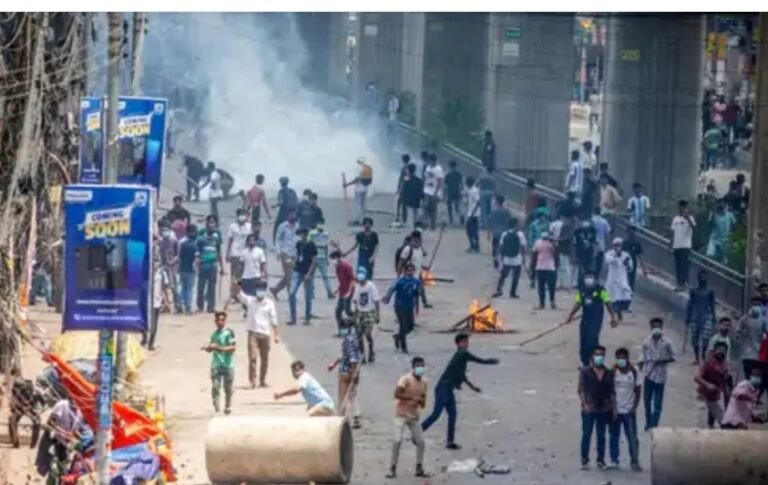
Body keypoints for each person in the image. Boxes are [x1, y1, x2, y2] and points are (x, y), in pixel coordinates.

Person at [421, 333, 499, 449]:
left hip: (448, 389)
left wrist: (473, 387)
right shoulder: (462, 354)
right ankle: (418, 433)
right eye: (464, 342)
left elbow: (462, 376)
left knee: (452, 415)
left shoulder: (460, 357)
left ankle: (450, 442)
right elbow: (478, 360)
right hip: (443, 388)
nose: (466, 344)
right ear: (458, 344)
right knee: (436, 414)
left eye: (467, 341)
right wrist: (490, 361)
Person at [387, 357, 430, 479]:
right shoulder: (405, 379)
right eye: (418, 366)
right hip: (401, 414)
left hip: (413, 416)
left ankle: (419, 467)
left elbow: (423, 401)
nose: (420, 368)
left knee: (421, 442)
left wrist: (421, 402)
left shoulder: (424, 382)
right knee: (397, 440)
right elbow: (396, 394)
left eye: (422, 365)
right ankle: (392, 468)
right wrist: (411, 399)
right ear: (413, 367)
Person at [566, 271, 619, 367]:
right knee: (583, 339)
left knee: (592, 340)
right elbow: (578, 304)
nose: (588, 280)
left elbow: (608, 303)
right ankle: (585, 362)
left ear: (596, 280)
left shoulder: (601, 291)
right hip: (585, 319)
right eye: (587, 277)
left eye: (591, 277)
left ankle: (595, 361)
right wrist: (570, 316)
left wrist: (613, 317)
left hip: (596, 320)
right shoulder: (582, 291)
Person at [578, 345, 613, 470]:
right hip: (589, 407)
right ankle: (584, 459)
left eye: (601, 355)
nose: (599, 357)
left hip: (603, 408)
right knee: (587, 434)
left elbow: (611, 391)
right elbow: (581, 389)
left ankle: (600, 459)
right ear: (592, 356)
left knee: (601, 435)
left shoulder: (608, 373)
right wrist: (584, 404)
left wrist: (613, 408)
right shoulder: (585, 372)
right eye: (597, 355)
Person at [237, 284, 279, 388]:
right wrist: (237, 284)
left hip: (265, 334)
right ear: (256, 290)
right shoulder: (250, 301)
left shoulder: (269, 303)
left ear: (265, 291)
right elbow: (239, 294)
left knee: (265, 359)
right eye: (258, 289)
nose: (260, 292)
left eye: (262, 290)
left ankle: (262, 380)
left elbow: (274, 319)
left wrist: (276, 335)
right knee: (252, 358)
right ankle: (252, 381)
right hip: (253, 334)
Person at [640, 317, 676, 431]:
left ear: (662, 327)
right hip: (648, 374)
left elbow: (674, 357)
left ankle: (654, 424)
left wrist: (662, 360)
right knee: (646, 401)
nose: (657, 328)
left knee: (657, 403)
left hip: (660, 376)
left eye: (659, 326)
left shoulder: (667, 342)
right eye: (654, 326)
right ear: (651, 327)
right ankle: (648, 421)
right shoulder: (646, 341)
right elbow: (643, 356)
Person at [609, 347, 642, 471]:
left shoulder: (634, 371)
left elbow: (638, 390)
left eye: (623, 358)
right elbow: (611, 391)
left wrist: (634, 407)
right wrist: (613, 409)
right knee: (614, 436)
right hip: (616, 410)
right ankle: (614, 460)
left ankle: (634, 461)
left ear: (627, 358)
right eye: (619, 358)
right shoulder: (612, 372)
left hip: (629, 411)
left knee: (632, 437)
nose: (621, 360)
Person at [327, 317, 362, 428]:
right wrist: (335, 363)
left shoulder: (348, 340)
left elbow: (352, 358)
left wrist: (353, 372)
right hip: (351, 370)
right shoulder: (354, 338)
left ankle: (341, 417)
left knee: (343, 395)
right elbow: (346, 355)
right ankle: (356, 416)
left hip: (346, 371)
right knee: (353, 395)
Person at [202, 311, 236, 415]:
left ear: (225, 321)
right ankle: (217, 409)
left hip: (228, 364)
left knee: (228, 388)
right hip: (216, 364)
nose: (220, 322)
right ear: (215, 321)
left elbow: (233, 347)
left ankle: (228, 406)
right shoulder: (214, 334)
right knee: (215, 387)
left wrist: (219, 348)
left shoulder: (229, 333)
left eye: (222, 320)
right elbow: (211, 347)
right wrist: (207, 348)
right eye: (218, 320)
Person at [384, 263, 422, 353]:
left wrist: (417, 308)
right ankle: (404, 346)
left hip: (409, 306)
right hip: (400, 306)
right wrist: (387, 298)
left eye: (412, 270)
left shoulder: (416, 282)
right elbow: (391, 289)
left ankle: (398, 337)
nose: (410, 272)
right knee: (403, 326)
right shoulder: (400, 281)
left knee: (410, 326)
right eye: (408, 270)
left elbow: (417, 295)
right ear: (405, 271)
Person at [694, 341, 730, 428]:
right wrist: (707, 385)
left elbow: (725, 385)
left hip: (715, 397)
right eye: (719, 350)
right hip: (703, 395)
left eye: (723, 350)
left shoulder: (724, 366)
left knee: (717, 420)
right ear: (714, 351)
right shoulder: (708, 363)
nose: (721, 352)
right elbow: (696, 377)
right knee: (702, 423)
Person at [737, 297, 768, 390]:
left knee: (757, 374)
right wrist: (739, 335)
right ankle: (748, 390)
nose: (756, 307)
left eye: (758, 305)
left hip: (758, 352)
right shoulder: (745, 319)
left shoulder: (764, 320)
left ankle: (754, 393)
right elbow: (738, 330)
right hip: (746, 351)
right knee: (747, 372)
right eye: (754, 304)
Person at [686, 270, 717, 365]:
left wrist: (714, 317)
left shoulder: (710, 291)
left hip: (706, 317)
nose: (703, 278)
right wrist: (688, 316)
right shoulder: (693, 290)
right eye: (701, 276)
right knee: (695, 339)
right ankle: (697, 358)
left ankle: (703, 354)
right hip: (695, 317)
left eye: (705, 276)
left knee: (705, 338)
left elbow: (712, 305)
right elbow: (690, 304)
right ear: (698, 278)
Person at [288, 227, 317, 326]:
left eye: (303, 234)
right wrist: (293, 261)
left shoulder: (311, 245)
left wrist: (309, 274)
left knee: (308, 296)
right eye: (300, 234)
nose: (301, 235)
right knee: (291, 293)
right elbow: (298, 255)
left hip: (307, 271)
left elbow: (314, 261)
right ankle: (293, 318)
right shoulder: (299, 244)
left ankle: (307, 318)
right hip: (298, 270)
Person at [351, 267, 381, 363]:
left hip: (369, 312)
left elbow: (376, 301)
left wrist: (377, 315)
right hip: (360, 312)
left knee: (368, 333)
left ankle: (371, 350)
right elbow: (355, 300)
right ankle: (362, 355)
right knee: (359, 335)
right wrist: (354, 314)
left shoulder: (371, 286)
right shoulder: (357, 286)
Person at [196, 220, 225, 313]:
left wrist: (222, 267)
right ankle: (200, 306)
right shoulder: (201, 239)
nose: (211, 226)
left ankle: (210, 307)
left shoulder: (216, 239)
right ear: (206, 226)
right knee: (201, 287)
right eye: (209, 224)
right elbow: (197, 253)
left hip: (213, 265)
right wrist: (197, 265)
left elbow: (219, 253)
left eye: (213, 224)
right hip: (203, 265)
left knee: (212, 287)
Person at [398, 230, 432, 309]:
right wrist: (399, 274)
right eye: (415, 239)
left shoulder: (420, 248)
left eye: (418, 239)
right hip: (410, 274)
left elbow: (420, 260)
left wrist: (425, 267)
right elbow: (401, 261)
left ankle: (424, 303)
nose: (416, 241)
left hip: (418, 273)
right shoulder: (408, 249)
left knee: (421, 289)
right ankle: (406, 310)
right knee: (409, 294)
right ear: (412, 239)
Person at [493, 218, 527, 298]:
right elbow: (523, 247)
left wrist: (497, 256)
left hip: (507, 259)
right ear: (515, 225)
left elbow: (500, 246)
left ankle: (499, 289)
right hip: (517, 259)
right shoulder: (520, 234)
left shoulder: (504, 234)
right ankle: (512, 293)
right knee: (516, 276)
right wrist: (524, 257)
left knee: (503, 275)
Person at [270, 210, 299, 299]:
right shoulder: (282, 226)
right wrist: (278, 252)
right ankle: (291, 295)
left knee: (291, 275)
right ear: (288, 215)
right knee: (290, 275)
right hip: (285, 253)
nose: (293, 216)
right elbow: (278, 240)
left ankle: (276, 289)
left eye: (294, 214)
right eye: (291, 214)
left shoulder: (297, 226)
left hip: (295, 253)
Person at [604, 238, 633, 321]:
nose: (618, 247)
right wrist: (616, 255)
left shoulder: (626, 255)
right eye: (616, 245)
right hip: (612, 279)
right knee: (612, 298)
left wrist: (627, 264)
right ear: (613, 246)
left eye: (619, 245)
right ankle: (614, 315)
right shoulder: (609, 253)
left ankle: (619, 311)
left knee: (626, 296)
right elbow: (608, 261)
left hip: (622, 279)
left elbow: (630, 267)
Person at [142, 255, 167, 350]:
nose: (155, 263)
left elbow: (164, 288)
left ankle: (151, 343)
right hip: (146, 302)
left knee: (154, 324)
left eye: (157, 261)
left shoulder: (161, 274)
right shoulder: (145, 273)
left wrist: (167, 302)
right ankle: (144, 338)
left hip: (156, 302)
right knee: (143, 322)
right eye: (154, 261)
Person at [671, 199, 696, 291]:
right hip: (676, 245)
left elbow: (693, 226)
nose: (682, 208)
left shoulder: (690, 218)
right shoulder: (675, 219)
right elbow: (673, 232)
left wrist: (687, 218)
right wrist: (671, 244)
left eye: (684, 207)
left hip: (685, 246)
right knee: (678, 266)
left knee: (684, 266)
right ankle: (679, 284)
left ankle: (683, 284)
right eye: (681, 206)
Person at [226, 208, 252, 290]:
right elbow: (230, 240)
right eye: (240, 214)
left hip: (245, 253)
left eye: (244, 214)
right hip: (235, 253)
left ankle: (239, 290)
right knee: (234, 273)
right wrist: (228, 253)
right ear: (237, 216)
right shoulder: (232, 226)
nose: (242, 217)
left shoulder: (249, 226)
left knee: (242, 274)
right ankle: (233, 291)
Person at [330, 250, 355, 336]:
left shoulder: (346, 267)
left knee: (347, 311)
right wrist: (337, 290)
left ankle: (356, 324)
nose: (333, 261)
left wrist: (349, 292)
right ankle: (341, 329)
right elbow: (342, 281)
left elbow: (352, 280)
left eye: (334, 258)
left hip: (348, 292)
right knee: (338, 311)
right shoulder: (337, 268)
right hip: (342, 292)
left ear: (338, 258)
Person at [531, 231, 557, 309]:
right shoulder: (538, 242)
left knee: (550, 287)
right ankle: (543, 303)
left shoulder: (552, 243)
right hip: (543, 267)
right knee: (543, 287)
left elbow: (556, 253)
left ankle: (550, 302)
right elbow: (534, 254)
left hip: (548, 267)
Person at [309, 219, 335, 300]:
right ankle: (311, 294)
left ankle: (330, 292)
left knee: (325, 276)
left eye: (321, 224)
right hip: (313, 257)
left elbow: (326, 247)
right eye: (319, 223)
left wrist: (327, 259)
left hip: (322, 257)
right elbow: (309, 245)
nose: (320, 225)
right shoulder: (312, 233)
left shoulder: (325, 234)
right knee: (311, 276)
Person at [344, 157, 374, 225]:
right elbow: (370, 180)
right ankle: (363, 220)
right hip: (365, 189)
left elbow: (356, 180)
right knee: (363, 205)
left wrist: (347, 184)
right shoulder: (368, 168)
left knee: (358, 205)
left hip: (359, 190)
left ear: (358, 162)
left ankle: (358, 221)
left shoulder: (358, 168)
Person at [706, 199, 736, 264]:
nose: (720, 205)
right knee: (710, 257)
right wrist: (712, 213)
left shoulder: (729, 214)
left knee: (724, 261)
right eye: (719, 204)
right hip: (714, 240)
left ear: (725, 205)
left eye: (722, 203)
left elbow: (734, 224)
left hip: (726, 240)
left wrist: (732, 234)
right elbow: (709, 225)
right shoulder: (713, 214)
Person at [177, 224, 198, 315]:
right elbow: (196, 260)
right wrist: (197, 269)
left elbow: (179, 257)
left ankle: (180, 304)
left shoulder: (182, 244)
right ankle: (188, 307)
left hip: (182, 269)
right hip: (190, 270)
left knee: (183, 288)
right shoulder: (195, 246)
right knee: (190, 289)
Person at [488, 195, 512, 269]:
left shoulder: (493, 211)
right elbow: (509, 222)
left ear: (496, 202)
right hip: (504, 232)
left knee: (495, 247)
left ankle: (495, 259)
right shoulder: (507, 211)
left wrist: (489, 233)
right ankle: (503, 260)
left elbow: (490, 222)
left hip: (495, 232)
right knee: (504, 247)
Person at [273, 176, 298, 242]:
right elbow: (296, 201)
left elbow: (281, 202)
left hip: (283, 213)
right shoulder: (292, 191)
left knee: (278, 228)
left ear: (281, 183)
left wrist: (275, 205)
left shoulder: (281, 191)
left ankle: (276, 243)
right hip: (292, 213)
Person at [423, 153, 444, 230]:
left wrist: (436, 192)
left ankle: (432, 225)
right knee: (426, 207)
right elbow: (426, 178)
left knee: (432, 209)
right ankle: (427, 223)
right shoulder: (428, 167)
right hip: (427, 190)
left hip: (433, 191)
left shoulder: (438, 169)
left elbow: (440, 181)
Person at [622, 225, 646, 294]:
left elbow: (640, 256)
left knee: (632, 278)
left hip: (633, 263)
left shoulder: (637, 243)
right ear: (628, 232)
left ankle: (630, 291)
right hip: (624, 262)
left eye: (633, 232)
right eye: (630, 232)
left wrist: (643, 269)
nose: (632, 233)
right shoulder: (624, 242)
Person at [573, 218, 598, 284]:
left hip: (589, 253)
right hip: (580, 253)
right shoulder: (577, 232)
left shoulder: (592, 231)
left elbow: (595, 242)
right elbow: (575, 244)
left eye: (587, 228)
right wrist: (575, 254)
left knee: (588, 268)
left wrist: (594, 251)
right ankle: (581, 282)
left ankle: (587, 282)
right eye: (585, 228)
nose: (586, 229)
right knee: (581, 269)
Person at [401, 163, 424, 227]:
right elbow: (421, 191)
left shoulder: (406, 179)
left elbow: (403, 188)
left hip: (408, 199)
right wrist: (422, 198)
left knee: (409, 213)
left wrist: (402, 196)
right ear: (415, 170)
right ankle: (415, 224)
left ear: (408, 170)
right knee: (415, 213)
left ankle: (410, 225)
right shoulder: (419, 180)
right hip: (416, 199)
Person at [591, 207, 611, 277]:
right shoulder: (604, 221)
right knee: (599, 261)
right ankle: (597, 275)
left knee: (591, 260)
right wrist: (609, 246)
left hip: (592, 243)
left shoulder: (591, 220)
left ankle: (590, 275)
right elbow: (607, 234)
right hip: (601, 243)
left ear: (593, 212)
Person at [464, 175, 481, 252]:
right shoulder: (470, 190)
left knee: (471, 231)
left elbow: (478, 202)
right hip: (471, 213)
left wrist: (473, 212)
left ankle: (474, 246)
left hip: (474, 214)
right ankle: (474, 245)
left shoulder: (474, 191)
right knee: (471, 231)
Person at [444, 160, 463, 226]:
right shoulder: (458, 174)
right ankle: (461, 216)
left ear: (450, 166)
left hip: (450, 192)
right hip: (457, 192)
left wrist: (444, 195)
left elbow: (446, 186)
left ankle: (451, 220)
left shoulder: (447, 175)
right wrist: (461, 192)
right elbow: (461, 184)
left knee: (449, 208)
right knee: (457, 207)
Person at [396, 154, 411, 223]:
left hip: (403, 186)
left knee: (400, 202)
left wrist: (400, 186)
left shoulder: (405, 168)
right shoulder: (408, 167)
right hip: (406, 186)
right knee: (403, 203)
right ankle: (402, 218)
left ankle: (399, 217)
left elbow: (403, 177)